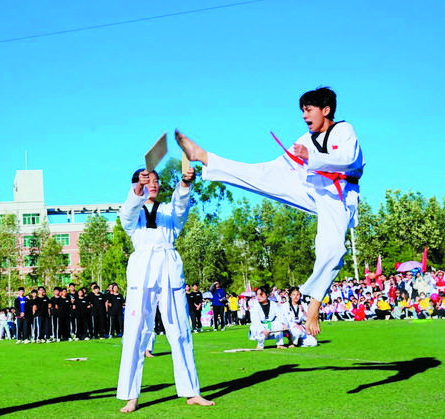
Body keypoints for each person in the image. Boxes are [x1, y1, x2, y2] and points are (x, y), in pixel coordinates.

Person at [176, 87, 364, 337]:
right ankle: (204, 156)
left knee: (331, 249)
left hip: (338, 194)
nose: (303, 116)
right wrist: (280, 170)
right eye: (302, 111)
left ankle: (314, 306)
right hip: (312, 186)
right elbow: (280, 167)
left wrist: (312, 156)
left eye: (308, 110)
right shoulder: (305, 138)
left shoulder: (344, 130)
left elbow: (349, 159)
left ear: (325, 110)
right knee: (260, 175)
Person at [116, 167, 213, 413]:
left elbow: (181, 208)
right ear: (137, 184)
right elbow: (127, 212)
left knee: (180, 329)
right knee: (135, 332)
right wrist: (138, 187)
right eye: (148, 180)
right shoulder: (131, 213)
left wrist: (184, 184)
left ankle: (191, 391)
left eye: (157, 181)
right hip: (142, 272)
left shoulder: (169, 212)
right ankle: (131, 395)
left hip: (168, 269)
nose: (154, 184)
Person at [248, 285, 288, 350]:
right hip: (261, 325)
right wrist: (262, 330)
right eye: (257, 295)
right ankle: (260, 345)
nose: (259, 297)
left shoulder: (274, 304)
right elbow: (255, 321)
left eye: (261, 294)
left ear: (267, 295)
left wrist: (284, 324)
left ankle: (280, 344)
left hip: (271, 325)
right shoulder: (255, 307)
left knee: (279, 324)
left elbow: (280, 315)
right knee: (254, 327)